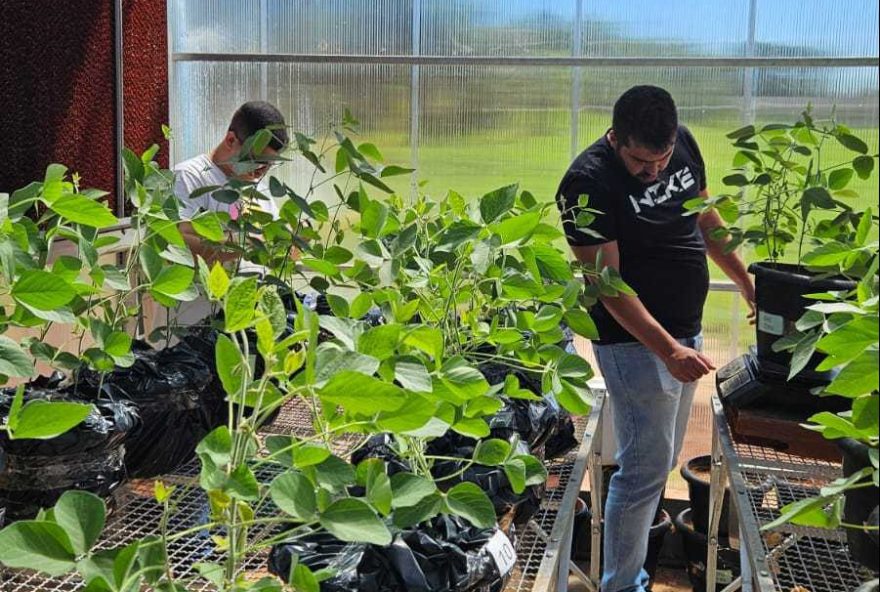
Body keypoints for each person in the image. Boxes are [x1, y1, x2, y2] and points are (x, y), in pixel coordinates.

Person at [556, 85, 755, 592]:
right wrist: (667, 350)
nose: (654, 172)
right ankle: (622, 584)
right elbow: (607, 286)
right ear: (616, 138)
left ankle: (627, 574)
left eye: (662, 158)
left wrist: (749, 283)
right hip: (635, 346)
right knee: (645, 469)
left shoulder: (682, 143)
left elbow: (706, 221)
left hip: (681, 334)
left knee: (658, 461)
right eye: (641, 162)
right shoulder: (586, 184)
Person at [175, 100, 289, 264]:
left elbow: (281, 253)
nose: (261, 171)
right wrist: (246, 244)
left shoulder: (258, 187)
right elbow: (177, 244)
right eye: (256, 160)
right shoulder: (189, 177)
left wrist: (295, 237)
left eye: (269, 164)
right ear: (230, 140)